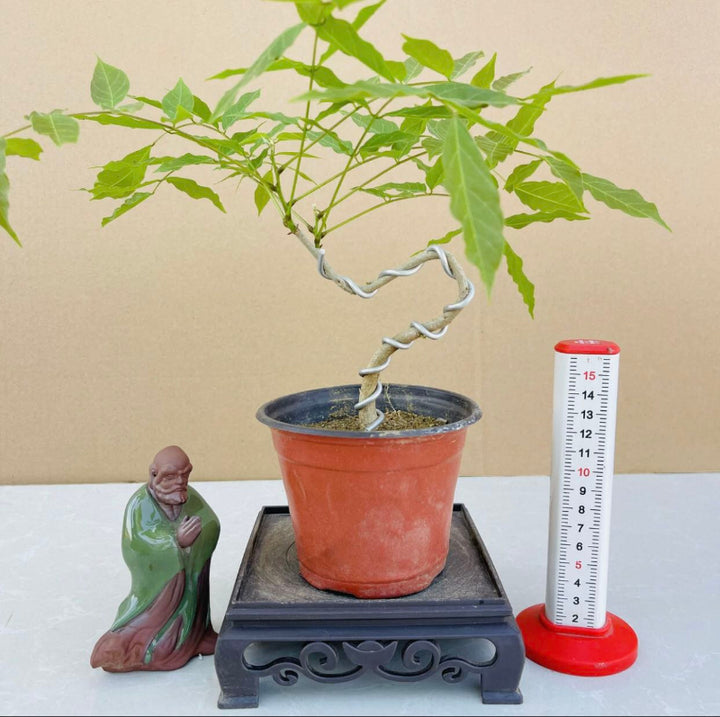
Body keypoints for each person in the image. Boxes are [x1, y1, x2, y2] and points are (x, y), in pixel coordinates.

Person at [90, 445, 220, 672]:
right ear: (153, 474)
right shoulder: (139, 504)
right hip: (157, 590)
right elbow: (136, 543)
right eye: (170, 477)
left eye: (185, 475)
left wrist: (199, 535)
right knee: (151, 627)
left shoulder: (188, 496)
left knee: (193, 610)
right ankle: (127, 648)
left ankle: (196, 636)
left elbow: (211, 522)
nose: (180, 482)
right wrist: (175, 542)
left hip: (190, 586)